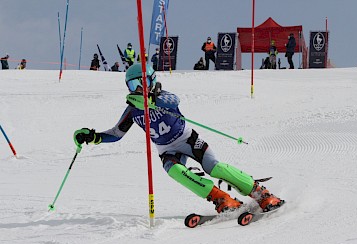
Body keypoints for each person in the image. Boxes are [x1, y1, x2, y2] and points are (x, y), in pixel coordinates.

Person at [73, 63, 283, 215]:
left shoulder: (163, 96)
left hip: (188, 140)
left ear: (152, 80)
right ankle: (221, 198)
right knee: (174, 171)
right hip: (167, 150)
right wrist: (93, 137)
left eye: (143, 82)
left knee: (214, 167)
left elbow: (174, 100)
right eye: (134, 84)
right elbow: (116, 134)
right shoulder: (133, 111)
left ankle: (259, 192)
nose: (139, 88)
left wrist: (151, 100)